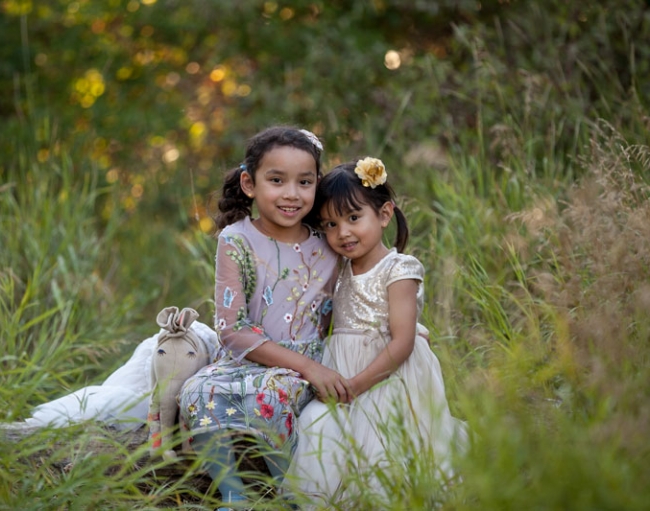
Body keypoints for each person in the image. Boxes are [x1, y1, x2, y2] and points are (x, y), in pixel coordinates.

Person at [177, 126, 353, 510]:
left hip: (302, 368)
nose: (291, 193)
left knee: (272, 395)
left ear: (317, 185)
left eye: (304, 182)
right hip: (245, 359)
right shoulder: (236, 240)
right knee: (195, 392)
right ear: (249, 183)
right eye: (277, 180)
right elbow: (232, 331)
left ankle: (287, 491)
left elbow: (350, 301)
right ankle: (233, 492)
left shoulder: (328, 242)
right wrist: (306, 365)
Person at [284, 157, 467, 506]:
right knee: (317, 426)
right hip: (344, 373)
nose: (343, 233)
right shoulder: (337, 271)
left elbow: (402, 341)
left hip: (388, 377)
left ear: (384, 215)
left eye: (354, 218)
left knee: (384, 449)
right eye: (330, 225)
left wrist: (356, 385)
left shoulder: (398, 268)